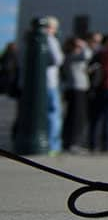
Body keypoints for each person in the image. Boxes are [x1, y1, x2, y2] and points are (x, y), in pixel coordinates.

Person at [61, 36, 91, 153]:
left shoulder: (72, 57)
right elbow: (87, 55)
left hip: (79, 88)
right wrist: (84, 45)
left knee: (77, 116)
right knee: (76, 117)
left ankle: (72, 141)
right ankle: (72, 142)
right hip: (76, 88)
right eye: (77, 46)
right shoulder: (71, 55)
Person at [42, 17, 65, 155]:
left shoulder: (28, 39)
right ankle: (53, 145)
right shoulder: (50, 39)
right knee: (53, 113)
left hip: (40, 83)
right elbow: (58, 59)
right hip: (50, 82)